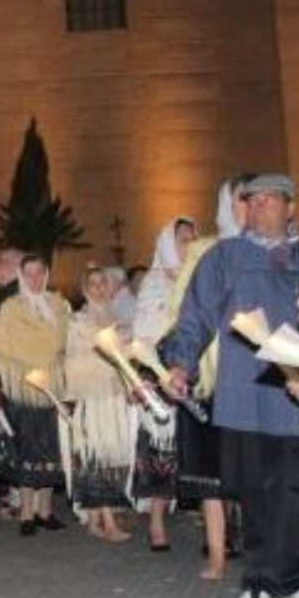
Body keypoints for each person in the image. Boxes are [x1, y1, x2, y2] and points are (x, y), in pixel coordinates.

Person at [163, 173, 299, 598]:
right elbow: (196, 314)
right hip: (248, 394)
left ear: (290, 207)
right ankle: (260, 578)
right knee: (257, 491)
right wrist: (180, 361)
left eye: (269, 200)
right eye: (251, 201)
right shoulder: (225, 256)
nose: (258, 207)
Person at [171, 176, 255, 580]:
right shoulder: (204, 251)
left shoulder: (269, 249)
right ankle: (218, 554)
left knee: (258, 472)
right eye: (241, 199)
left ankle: (263, 556)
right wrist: (177, 364)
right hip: (210, 379)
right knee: (210, 474)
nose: (248, 205)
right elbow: (183, 311)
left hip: (258, 381)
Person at [0, 253, 71, 535]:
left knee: (51, 449)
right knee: (27, 449)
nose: (35, 279)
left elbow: (67, 347)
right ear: (21, 277)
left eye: (40, 273)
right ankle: (26, 512)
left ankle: (45, 510)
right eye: (29, 274)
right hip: (21, 387)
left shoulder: (59, 305)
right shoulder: (11, 307)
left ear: (47, 274)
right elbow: (0, 351)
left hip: (53, 387)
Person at [131, 216, 197, 552]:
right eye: (182, 239)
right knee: (163, 447)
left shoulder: (199, 279)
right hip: (161, 372)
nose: (189, 244)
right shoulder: (154, 283)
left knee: (197, 449)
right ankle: (156, 520)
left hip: (198, 372)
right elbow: (143, 335)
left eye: (192, 237)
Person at [64, 267, 134, 542]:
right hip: (93, 398)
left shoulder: (114, 318)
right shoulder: (78, 320)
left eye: (102, 283)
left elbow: (124, 357)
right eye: (92, 284)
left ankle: (95, 520)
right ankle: (108, 521)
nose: (98, 289)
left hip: (113, 396)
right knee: (98, 455)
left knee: (107, 454)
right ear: (84, 289)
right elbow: (73, 359)